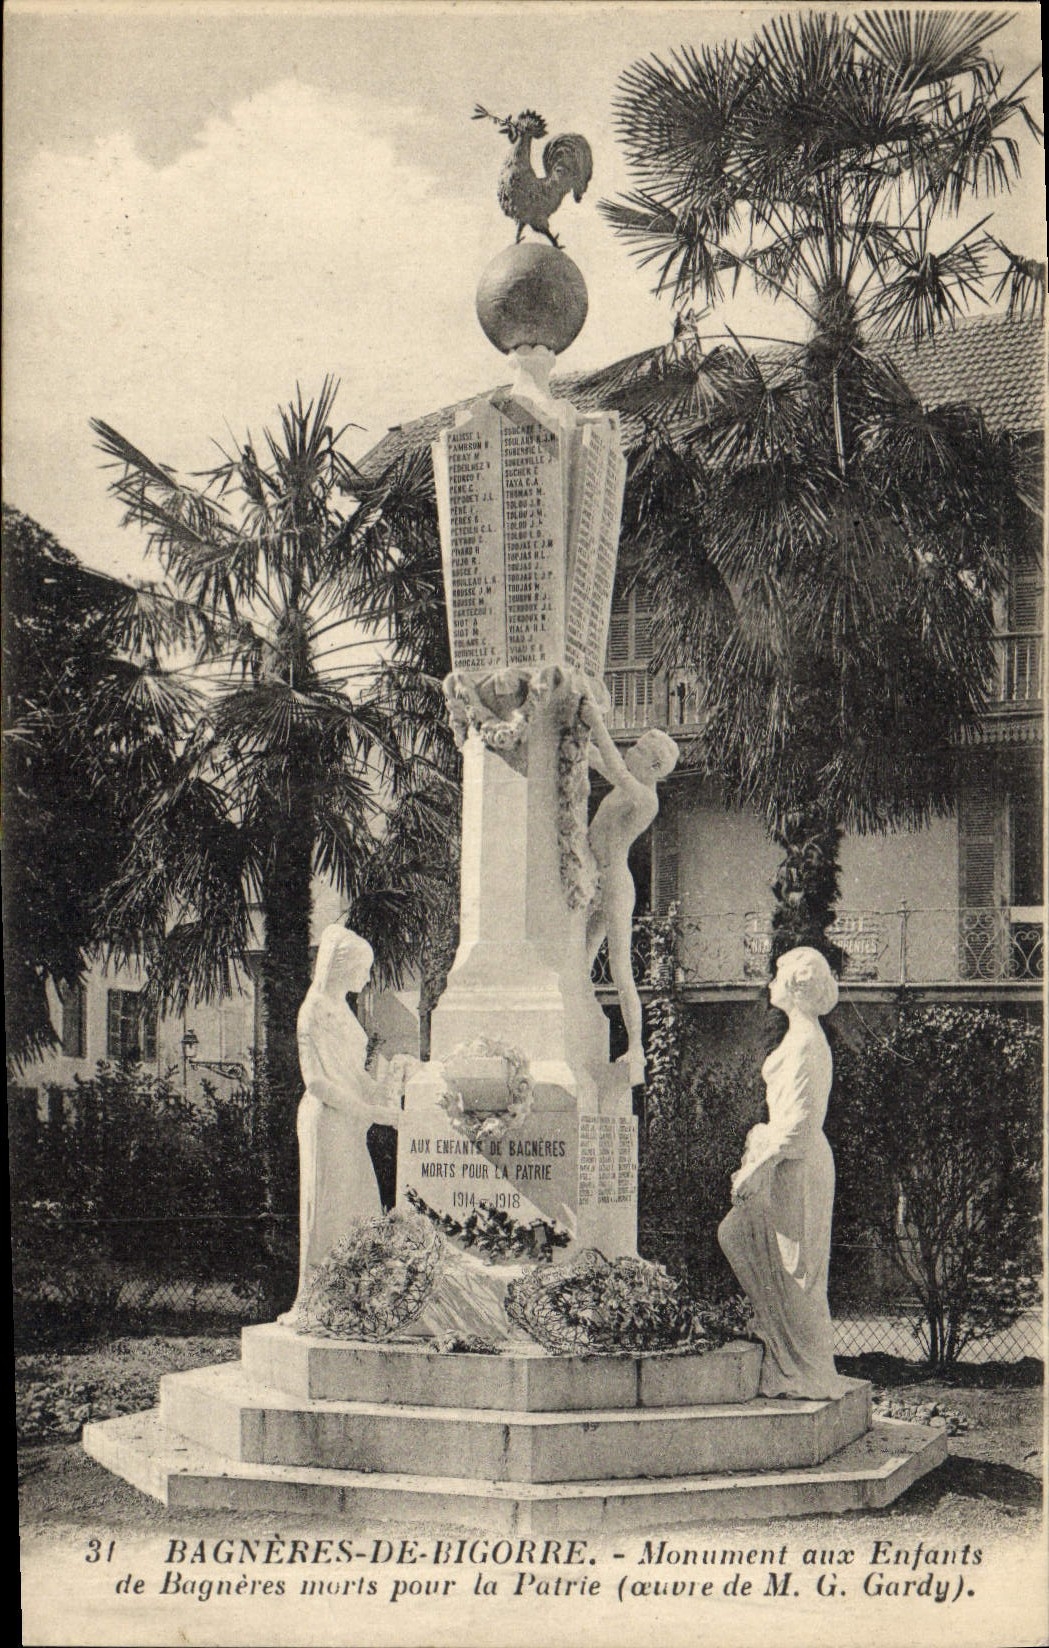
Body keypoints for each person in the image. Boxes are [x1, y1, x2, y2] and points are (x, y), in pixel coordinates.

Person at [718, 946, 849, 1399]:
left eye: (777, 975)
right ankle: (782, 1348)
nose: (770, 983)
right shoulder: (799, 1039)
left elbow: (799, 1126)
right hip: (788, 1162)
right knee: (739, 1235)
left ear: (796, 986)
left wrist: (760, 1166)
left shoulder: (808, 1043)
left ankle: (808, 1371)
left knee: (800, 1275)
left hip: (798, 1164)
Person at [281, 925, 395, 1322]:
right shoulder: (311, 1012)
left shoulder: (342, 1008)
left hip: (349, 1123)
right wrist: (371, 1112)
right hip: (327, 1120)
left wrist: (383, 1086)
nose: (366, 978)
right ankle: (317, 1302)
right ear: (342, 966)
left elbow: (351, 1072)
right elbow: (317, 1082)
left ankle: (357, 1302)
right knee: (326, 1210)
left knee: (360, 1206)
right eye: (363, 969)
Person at [579, 690, 679, 1086]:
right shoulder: (629, 787)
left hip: (616, 883)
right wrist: (578, 741)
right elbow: (603, 762)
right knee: (581, 960)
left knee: (621, 968)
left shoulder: (644, 797)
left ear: (654, 765)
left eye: (638, 749)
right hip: (596, 878)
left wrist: (597, 720)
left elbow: (617, 769)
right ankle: (583, 1022)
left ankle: (636, 1047)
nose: (631, 752)